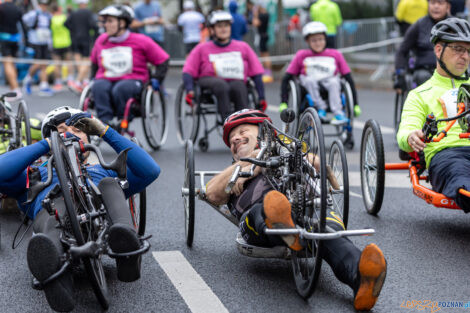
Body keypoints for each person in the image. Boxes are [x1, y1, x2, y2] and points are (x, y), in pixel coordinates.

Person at [205, 109, 387, 311]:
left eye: (242, 131)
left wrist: (269, 157)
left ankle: (362, 279)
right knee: (266, 208)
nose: (235, 139)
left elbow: (319, 164)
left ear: (263, 133)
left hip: (309, 212)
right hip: (257, 222)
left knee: (329, 232)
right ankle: (283, 222)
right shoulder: (233, 171)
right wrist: (246, 164)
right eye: (231, 138)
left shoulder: (287, 152)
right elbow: (211, 193)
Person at [0, 106, 160, 311]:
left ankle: (126, 247)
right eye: (61, 129)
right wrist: (47, 143)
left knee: (110, 184)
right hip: (54, 217)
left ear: (88, 136)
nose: (70, 134)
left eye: (78, 130)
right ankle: (55, 274)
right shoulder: (37, 174)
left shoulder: (102, 169)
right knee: (53, 204)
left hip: (103, 213)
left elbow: (150, 170)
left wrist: (104, 131)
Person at [397, 18, 470, 212]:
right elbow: (406, 129)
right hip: (447, 154)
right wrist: (411, 135)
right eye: (458, 49)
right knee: (460, 177)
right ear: (439, 50)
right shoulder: (420, 94)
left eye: (469, 51)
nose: (465, 56)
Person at [90, 4, 169, 127]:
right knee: (98, 86)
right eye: (105, 21)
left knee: (121, 89)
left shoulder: (141, 40)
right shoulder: (101, 40)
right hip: (106, 79)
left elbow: (163, 60)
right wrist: (91, 80)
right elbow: (94, 62)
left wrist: (156, 80)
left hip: (132, 80)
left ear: (122, 23)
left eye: (110, 21)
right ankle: (105, 123)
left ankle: (123, 122)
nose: (106, 25)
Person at [182, 10, 267, 121]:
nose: (223, 29)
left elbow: (256, 72)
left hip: (235, 81)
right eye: (220, 26)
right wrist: (190, 90)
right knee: (221, 85)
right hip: (209, 80)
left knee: (240, 87)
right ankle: (228, 122)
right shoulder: (201, 48)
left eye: (226, 26)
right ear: (212, 29)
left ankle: (243, 122)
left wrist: (261, 97)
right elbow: (188, 70)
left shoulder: (243, 47)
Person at [280, 22, 360, 129]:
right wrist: (283, 102)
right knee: (309, 80)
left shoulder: (335, 55)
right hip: (308, 86)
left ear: (325, 39)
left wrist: (355, 104)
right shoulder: (301, 55)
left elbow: (348, 78)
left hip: (329, 83)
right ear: (307, 41)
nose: (318, 43)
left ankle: (338, 113)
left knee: (334, 81)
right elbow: (287, 78)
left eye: (321, 39)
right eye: (314, 40)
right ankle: (320, 108)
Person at [394, 0, 451, 94]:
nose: (436, 6)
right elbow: (402, 51)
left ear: (448, 6)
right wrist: (399, 74)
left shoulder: (455, 25)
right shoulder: (419, 25)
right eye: (433, 3)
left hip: (449, 71)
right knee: (422, 77)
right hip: (424, 71)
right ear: (428, 5)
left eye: (440, 3)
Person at [65, 0, 98, 93]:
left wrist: (73, 30)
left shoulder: (74, 13)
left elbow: (66, 23)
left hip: (75, 39)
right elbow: (94, 25)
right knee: (86, 61)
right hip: (85, 39)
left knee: (79, 61)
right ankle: (79, 81)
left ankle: (82, 80)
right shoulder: (88, 13)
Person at [22, 0, 54, 97]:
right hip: (35, 42)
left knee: (44, 64)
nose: (44, 7)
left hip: (44, 42)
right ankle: (28, 79)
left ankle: (44, 85)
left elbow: (48, 28)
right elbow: (24, 20)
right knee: (37, 63)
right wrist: (35, 13)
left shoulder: (48, 15)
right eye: (43, 5)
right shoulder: (34, 13)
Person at [0, 0, 28, 101]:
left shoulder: (2, 7)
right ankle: (13, 89)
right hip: (15, 39)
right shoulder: (17, 8)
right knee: (12, 64)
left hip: (5, 39)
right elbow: (23, 25)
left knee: (8, 64)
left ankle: (15, 89)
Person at [50, 4, 72, 92]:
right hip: (66, 43)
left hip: (56, 44)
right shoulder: (65, 18)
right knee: (69, 62)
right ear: (59, 9)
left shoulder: (51, 19)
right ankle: (70, 80)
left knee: (57, 64)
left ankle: (58, 83)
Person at [252, 4, 272, 83]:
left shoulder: (262, 16)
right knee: (264, 54)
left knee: (265, 55)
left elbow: (255, 23)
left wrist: (255, 15)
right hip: (264, 35)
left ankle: (268, 73)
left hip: (262, 36)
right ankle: (267, 72)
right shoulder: (266, 14)